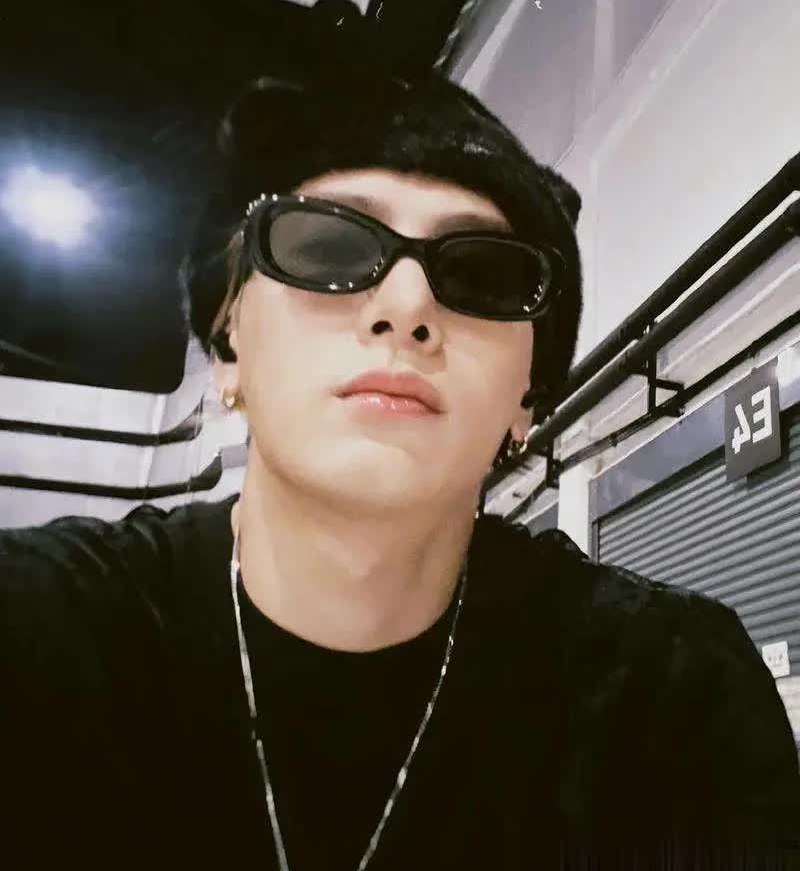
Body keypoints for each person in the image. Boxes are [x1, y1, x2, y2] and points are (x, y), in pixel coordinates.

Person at [2, 64, 799, 871]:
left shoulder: (667, 698)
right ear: (227, 346)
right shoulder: (43, 636)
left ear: (527, 399)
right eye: (323, 246)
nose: (406, 306)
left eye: (482, 274)